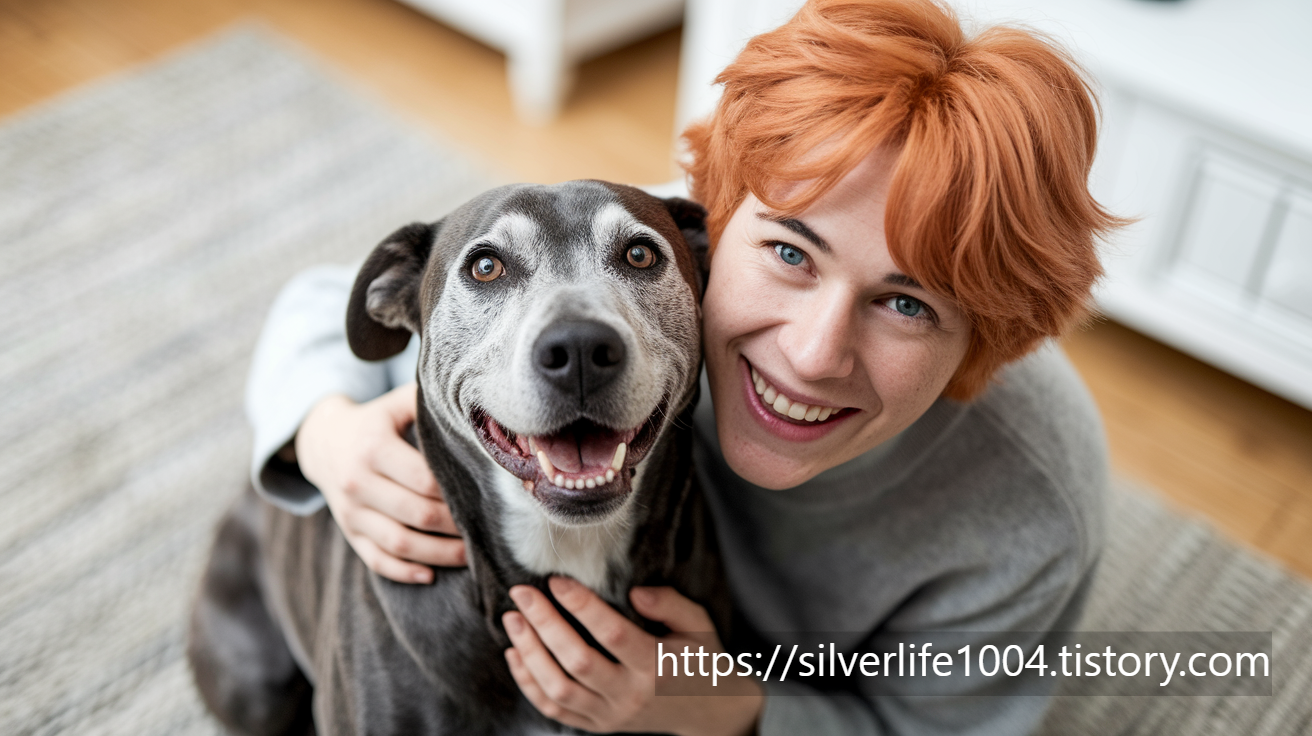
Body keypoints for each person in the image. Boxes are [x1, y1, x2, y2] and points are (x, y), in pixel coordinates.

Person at [246, 0, 1125, 733]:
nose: (811, 355)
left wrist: (718, 703)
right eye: (789, 252)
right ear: (717, 225)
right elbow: (330, 298)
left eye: (907, 304)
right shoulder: (648, 266)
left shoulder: (1032, 504)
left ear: (986, 339)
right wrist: (323, 433)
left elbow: (928, 730)